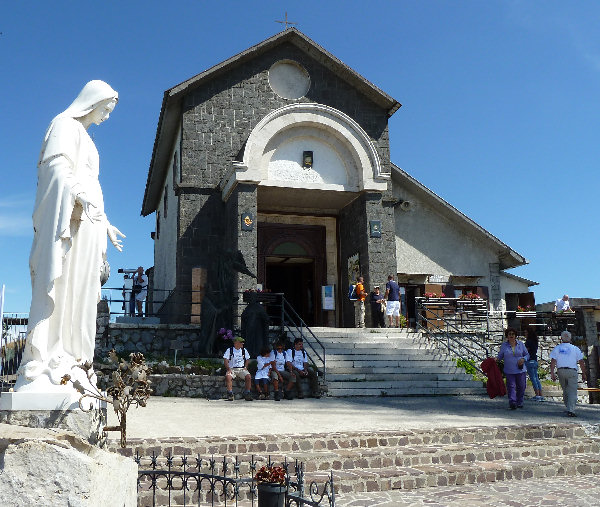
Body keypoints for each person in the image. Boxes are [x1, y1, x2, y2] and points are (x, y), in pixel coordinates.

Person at [16, 80, 125, 395]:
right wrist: (77, 193)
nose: (105, 116)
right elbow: (55, 168)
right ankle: (53, 356)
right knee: (64, 285)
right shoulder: (64, 126)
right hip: (70, 221)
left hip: (89, 223)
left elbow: (90, 181)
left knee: (83, 291)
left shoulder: (89, 140)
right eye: (105, 109)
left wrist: (105, 223)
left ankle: (76, 360)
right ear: (91, 102)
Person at [550, 330, 587, 417]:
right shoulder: (575, 348)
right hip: (572, 371)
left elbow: (553, 361)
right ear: (570, 338)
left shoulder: (557, 348)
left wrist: (552, 373)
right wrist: (584, 373)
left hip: (561, 371)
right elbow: (581, 362)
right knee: (572, 391)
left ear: (561, 338)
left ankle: (568, 407)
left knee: (565, 390)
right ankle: (571, 409)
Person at [497, 327, 529, 410]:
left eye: (513, 334)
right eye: (509, 334)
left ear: (515, 336)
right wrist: (495, 359)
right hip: (509, 370)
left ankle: (520, 401)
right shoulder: (504, 345)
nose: (511, 336)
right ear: (507, 336)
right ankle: (512, 402)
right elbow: (500, 356)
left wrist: (523, 359)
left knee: (521, 386)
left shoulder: (521, 344)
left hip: (520, 369)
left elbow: (527, 355)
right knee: (511, 386)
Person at [223, 337, 253, 401]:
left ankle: (247, 393)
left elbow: (247, 359)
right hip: (232, 368)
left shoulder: (244, 350)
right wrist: (228, 369)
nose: (242, 344)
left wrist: (245, 367)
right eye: (241, 342)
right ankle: (230, 394)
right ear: (236, 343)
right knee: (228, 377)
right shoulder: (229, 350)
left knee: (248, 377)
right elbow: (225, 360)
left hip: (241, 369)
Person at [524, 327, 544, 401]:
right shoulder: (535, 341)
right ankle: (541, 394)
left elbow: (525, 351)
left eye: (526, 333)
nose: (525, 334)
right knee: (536, 378)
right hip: (535, 360)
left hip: (529, 360)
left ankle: (537, 394)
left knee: (533, 378)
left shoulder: (528, 342)